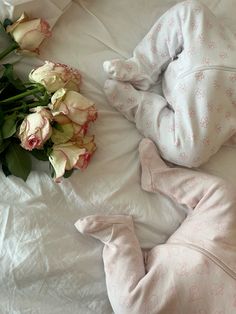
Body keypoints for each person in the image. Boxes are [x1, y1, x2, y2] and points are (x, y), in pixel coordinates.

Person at [75, 138, 236, 314]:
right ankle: (159, 177)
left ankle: (119, 236)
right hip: (218, 238)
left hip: (182, 294)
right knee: (222, 193)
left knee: (132, 308)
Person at [103, 0, 236, 168]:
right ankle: (142, 66)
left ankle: (138, 105)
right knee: (191, 10)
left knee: (191, 152)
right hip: (214, 48)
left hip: (213, 107)